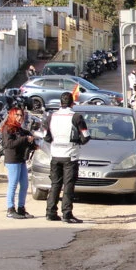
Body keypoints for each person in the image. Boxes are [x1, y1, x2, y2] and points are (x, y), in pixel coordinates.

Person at [42, 92, 90, 224]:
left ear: (60, 103)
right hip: (70, 155)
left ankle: (50, 212)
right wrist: (78, 142)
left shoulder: (52, 116)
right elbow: (86, 136)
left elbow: (45, 136)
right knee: (68, 185)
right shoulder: (76, 117)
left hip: (55, 154)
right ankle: (67, 213)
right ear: (72, 103)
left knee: (55, 184)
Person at [0, 104, 37, 219]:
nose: (20, 118)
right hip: (12, 160)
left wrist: (31, 142)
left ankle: (21, 208)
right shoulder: (7, 128)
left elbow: (24, 141)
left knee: (25, 185)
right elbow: (9, 144)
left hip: (21, 160)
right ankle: (10, 209)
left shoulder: (20, 129)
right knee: (13, 184)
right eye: (18, 115)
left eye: (22, 115)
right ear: (12, 115)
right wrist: (24, 139)